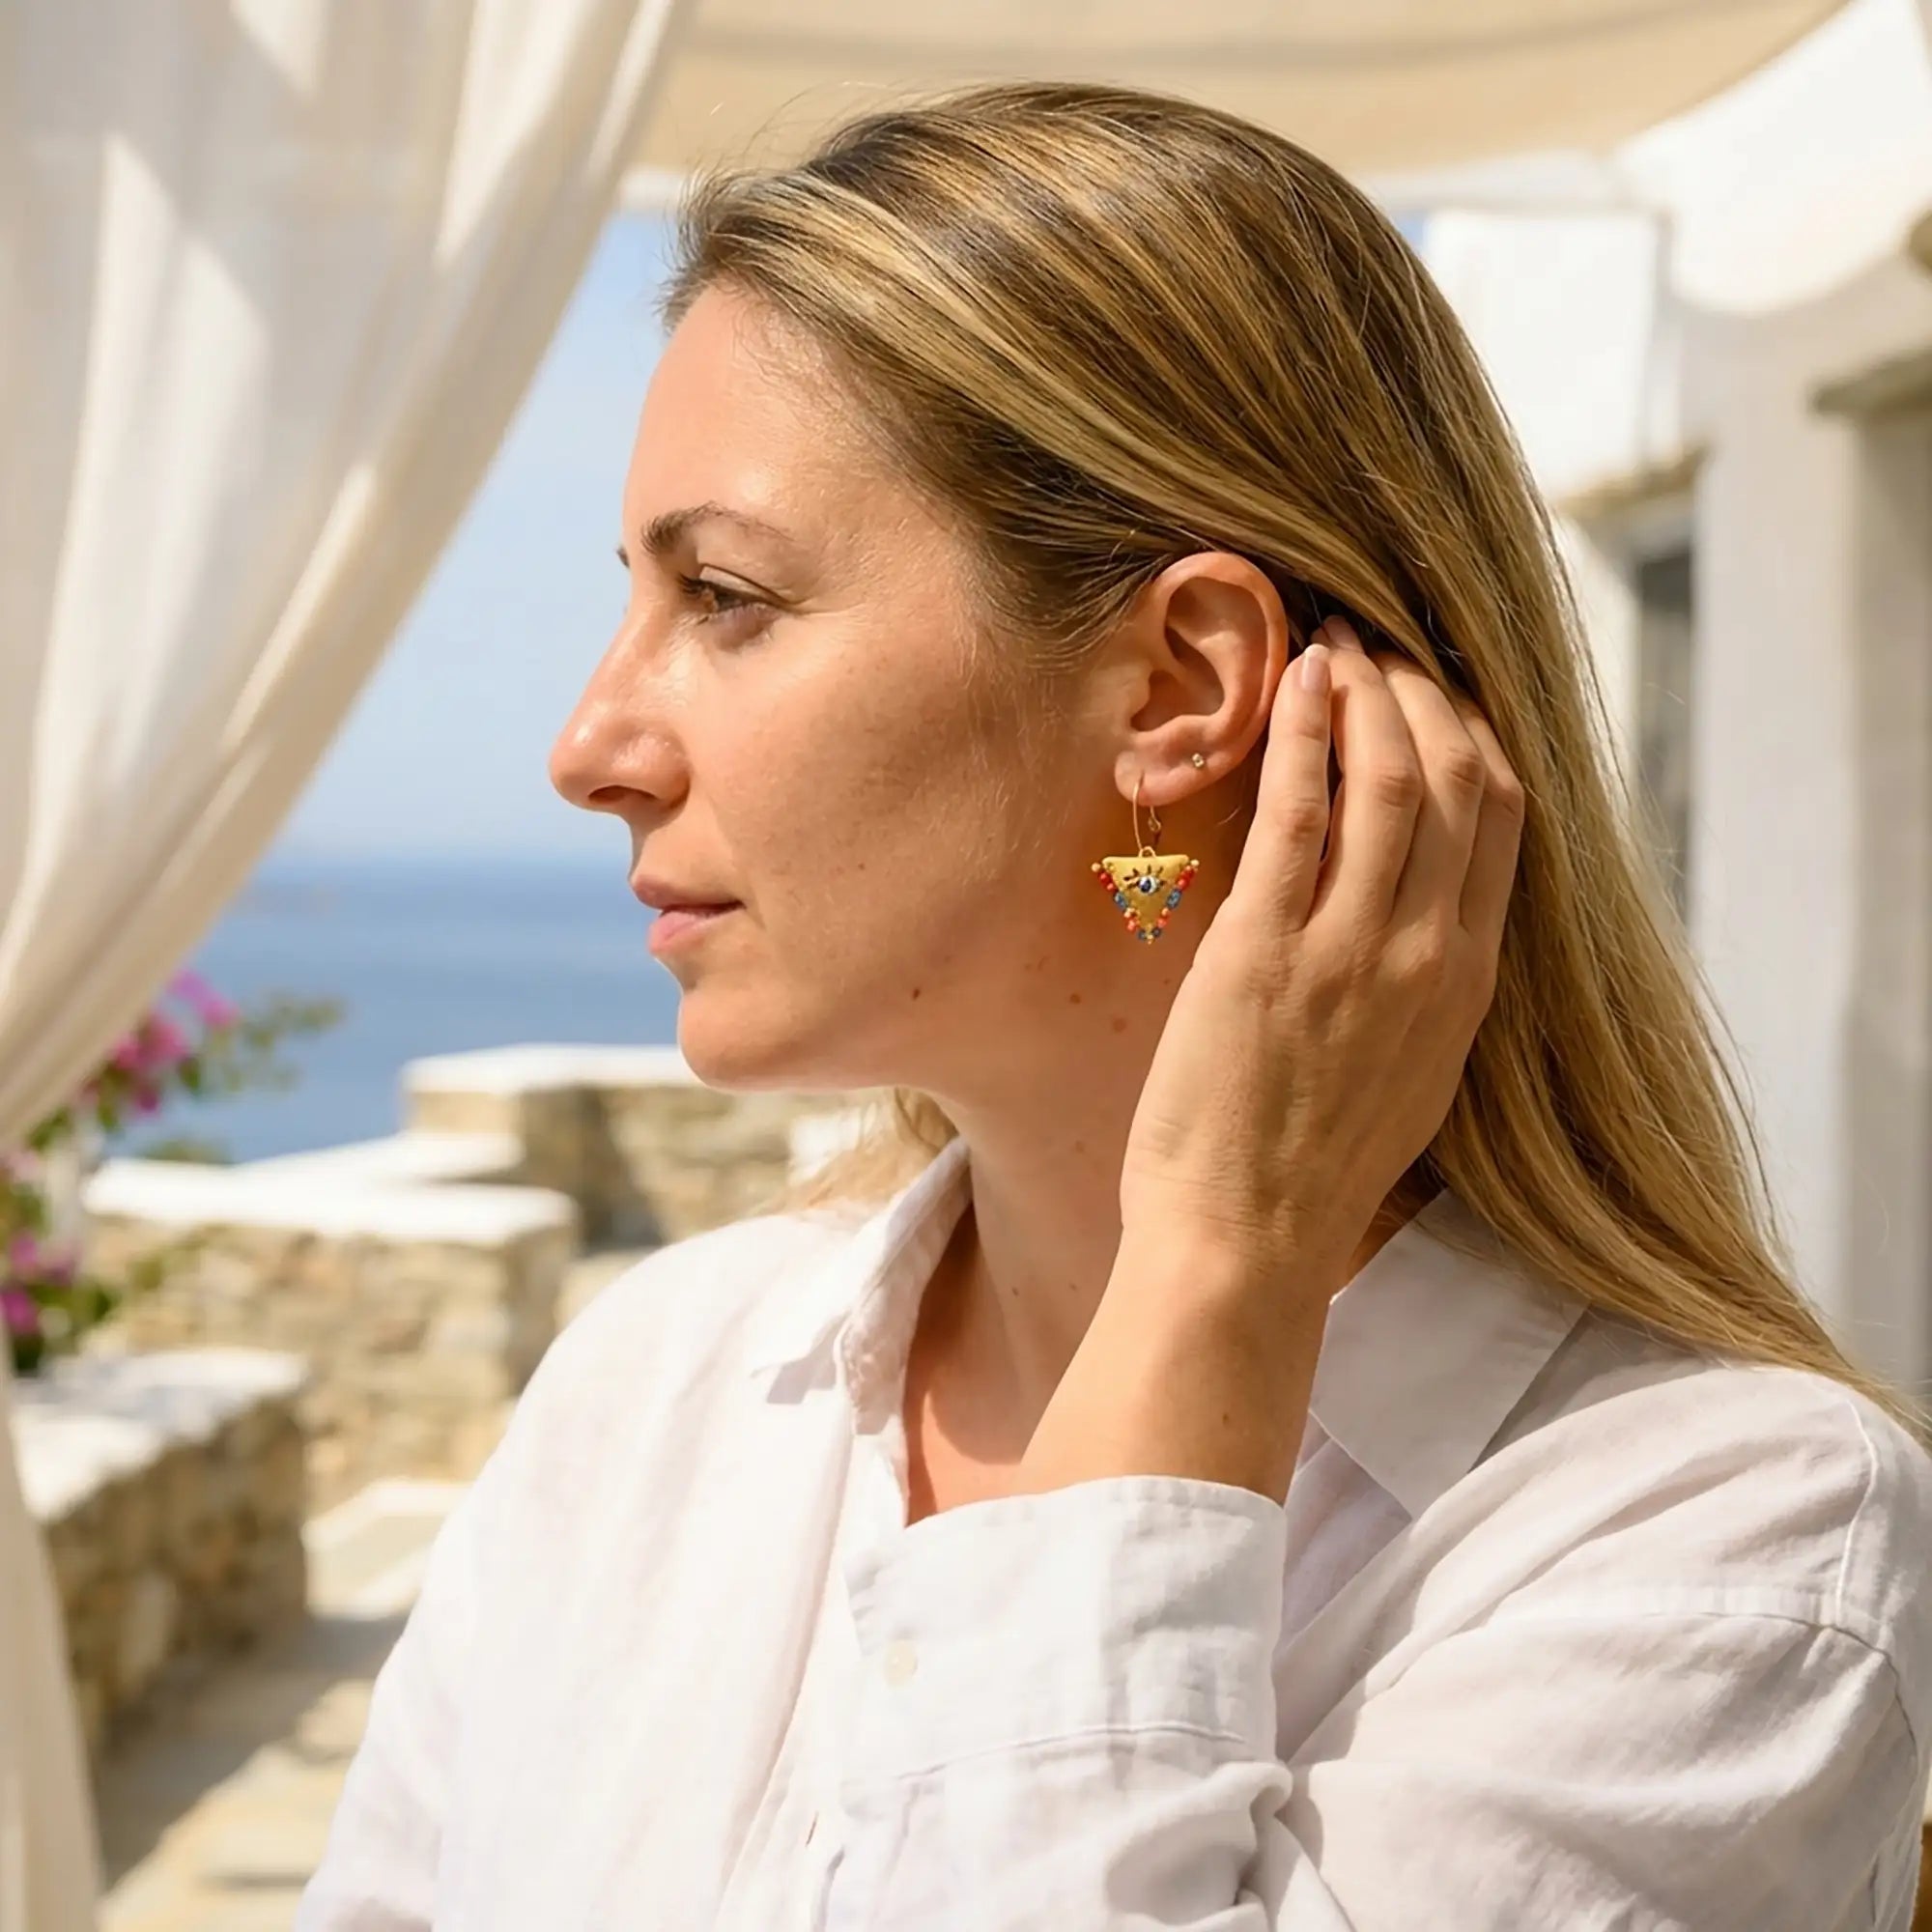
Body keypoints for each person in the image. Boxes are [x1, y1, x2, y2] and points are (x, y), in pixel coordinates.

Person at [295, 80, 1932, 1930]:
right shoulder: (653, 1386)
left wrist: (1218, 1268)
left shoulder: (1714, 1553)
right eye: (637, 601)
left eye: (728, 599)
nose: (590, 746)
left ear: (1180, 684)